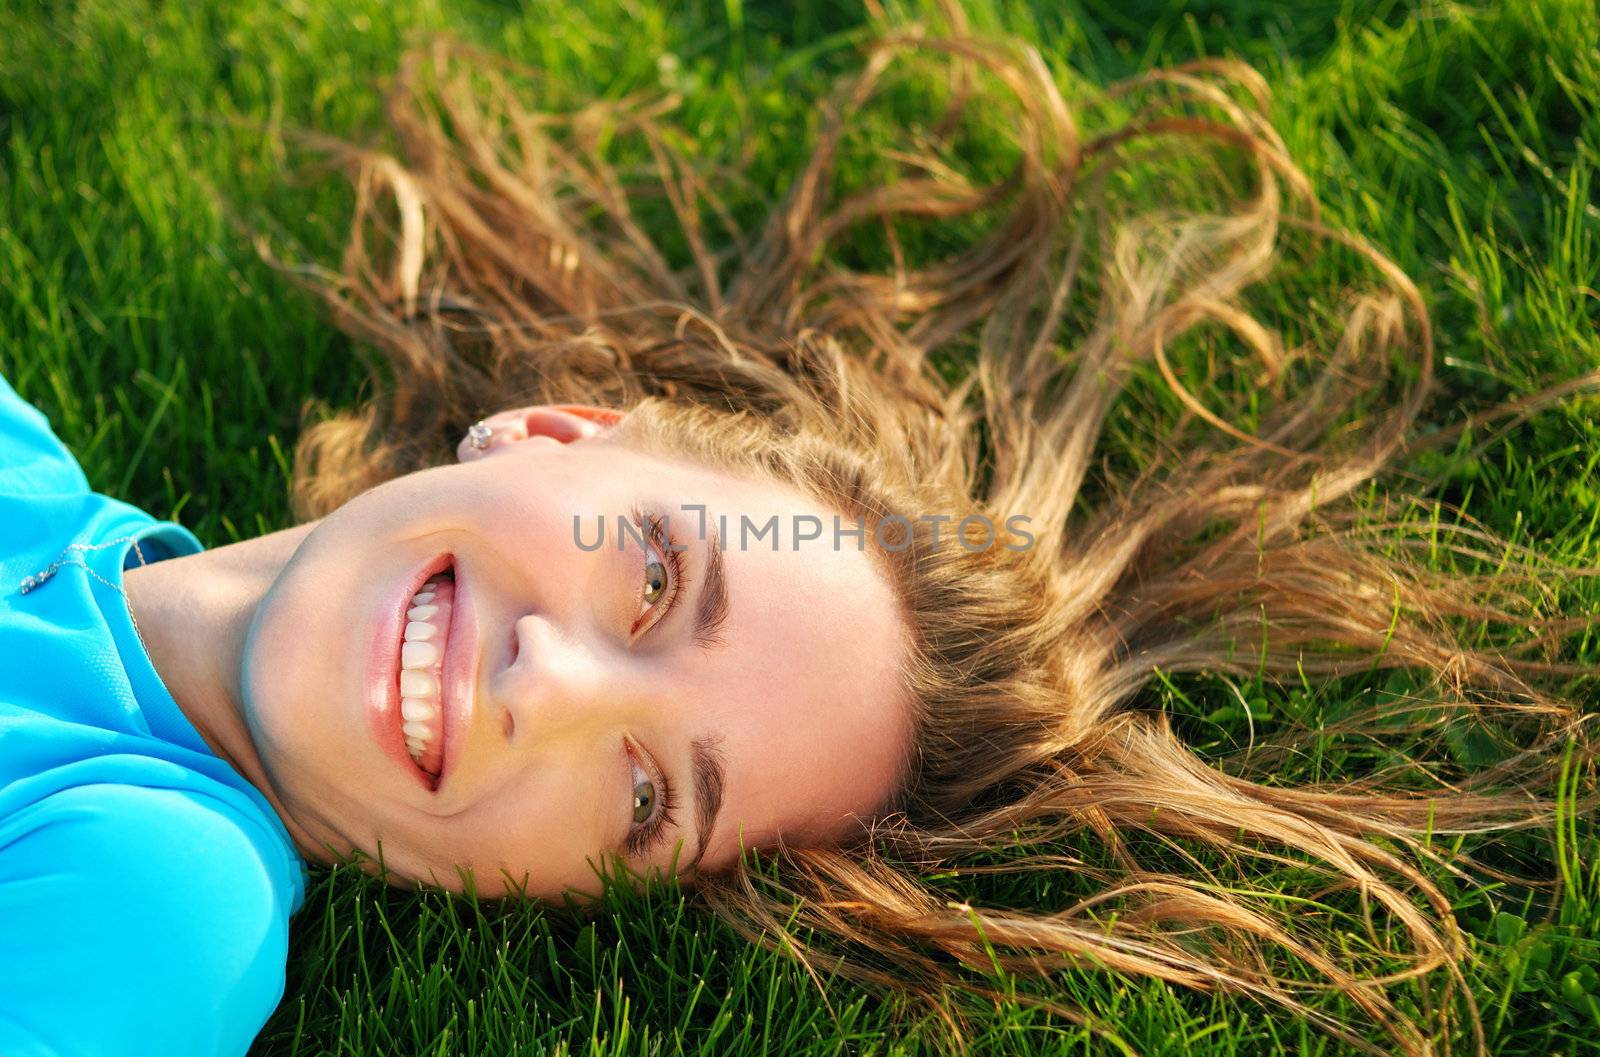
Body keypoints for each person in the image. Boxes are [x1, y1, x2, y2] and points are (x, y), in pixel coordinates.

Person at [1, 15, 1592, 1057]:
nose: (546, 694)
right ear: (551, 428)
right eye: (652, 578)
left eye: (641, 799)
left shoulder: (155, 894)